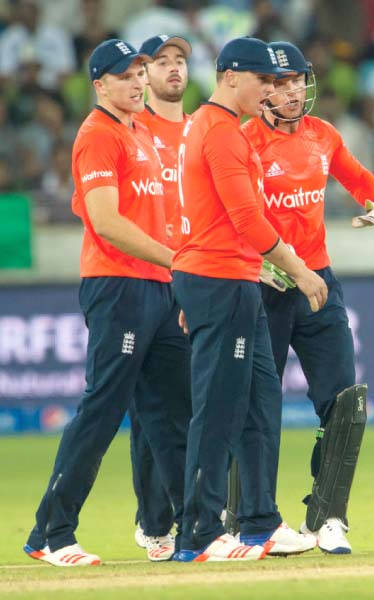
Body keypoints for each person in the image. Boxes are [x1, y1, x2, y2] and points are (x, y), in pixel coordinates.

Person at [239, 40, 374, 554]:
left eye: (298, 81)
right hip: (265, 288)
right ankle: (246, 517)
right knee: (255, 407)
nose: (293, 93)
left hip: (318, 285)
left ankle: (328, 515)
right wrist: (259, 260)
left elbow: (360, 180)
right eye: (281, 83)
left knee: (343, 404)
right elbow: (235, 213)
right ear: (263, 89)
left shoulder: (323, 135)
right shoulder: (245, 140)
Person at [23, 38, 190, 567]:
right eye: (128, 75)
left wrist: (176, 270)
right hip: (119, 286)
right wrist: (176, 260)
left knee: (171, 411)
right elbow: (106, 222)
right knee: (103, 409)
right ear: (100, 85)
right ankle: (51, 533)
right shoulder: (97, 135)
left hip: (159, 286)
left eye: (143, 72)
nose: (141, 82)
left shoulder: (137, 131)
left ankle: (196, 526)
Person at [170, 36, 327, 562]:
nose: (270, 92)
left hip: (230, 279)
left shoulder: (214, 127)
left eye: (278, 83)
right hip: (221, 279)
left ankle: (260, 522)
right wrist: (302, 270)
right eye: (263, 81)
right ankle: (198, 533)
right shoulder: (220, 132)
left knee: (259, 399)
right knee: (218, 406)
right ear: (231, 76)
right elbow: (247, 220)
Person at [127, 34, 194, 562]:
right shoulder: (130, 129)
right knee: (155, 407)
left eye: (180, 61)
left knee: (187, 405)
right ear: (140, 77)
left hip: (200, 277)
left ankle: (177, 516)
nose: (173, 70)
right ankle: (155, 522)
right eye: (161, 62)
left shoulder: (202, 131)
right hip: (145, 280)